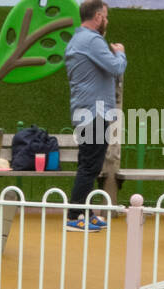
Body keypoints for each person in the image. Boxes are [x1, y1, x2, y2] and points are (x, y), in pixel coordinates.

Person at [63, 1, 126, 230]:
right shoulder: (92, 40)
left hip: (85, 112)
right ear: (98, 16)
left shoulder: (78, 40)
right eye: (106, 17)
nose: (107, 21)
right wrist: (120, 54)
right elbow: (116, 68)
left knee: (88, 164)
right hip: (94, 113)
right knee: (89, 166)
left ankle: (86, 213)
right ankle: (73, 217)